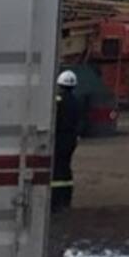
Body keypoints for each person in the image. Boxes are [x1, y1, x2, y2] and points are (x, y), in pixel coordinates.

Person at [52, 71, 80, 213]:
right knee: (66, 168)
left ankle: (56, 202)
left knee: (57, 169)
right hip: (71, 139)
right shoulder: (76, 101)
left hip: (60, 137)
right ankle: (66, 199)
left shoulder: (58, 100)